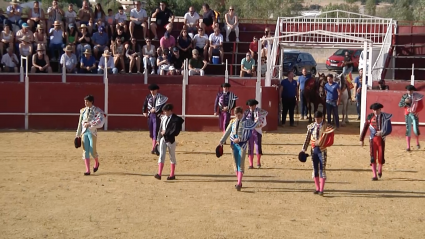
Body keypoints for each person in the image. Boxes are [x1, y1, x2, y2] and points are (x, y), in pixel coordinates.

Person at [219, 106, 259, 191]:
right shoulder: (233, 121)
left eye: (239, 115)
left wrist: (240, 139)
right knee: (235, 164)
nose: (238, 117)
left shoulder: (247, 122)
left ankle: (238, 183)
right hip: (233, 145)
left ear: (242, 114)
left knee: (240, 164)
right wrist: (221, 141)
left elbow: (249, 134)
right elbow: (227, 132)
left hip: (242, 145)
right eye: (236, 115)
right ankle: (239, 182)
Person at [301, 111, 335, 196]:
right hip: (313, 151)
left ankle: (321, 189)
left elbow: (330, 140)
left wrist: (321, 143)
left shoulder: (327, 127)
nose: (317, 120)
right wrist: (303, 149)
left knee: (322, 169)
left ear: (322, 118)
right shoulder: (311, 127)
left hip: (322, 151)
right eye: (316, 119)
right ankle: (317, 188)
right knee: (315, 169)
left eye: (318, 119)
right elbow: (307, 139)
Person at [360, 103, 393, 180]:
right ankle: (374, 175)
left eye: (377, 110)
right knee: (373, 156)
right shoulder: (370, 117)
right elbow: (365, 128)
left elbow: (389, 129)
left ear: (380, 110)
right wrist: (361, 139)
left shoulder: (385, 117)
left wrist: (382, 132)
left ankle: (380, 169)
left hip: (381, 139)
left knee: (381, 156)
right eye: (374, 110)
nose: (375, 111)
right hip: (372, 139)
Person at [75, 95, 105, 176]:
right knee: (85, 151)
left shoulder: (97, 110)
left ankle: (96, 163)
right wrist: (77, 135)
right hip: (84, 132)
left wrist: (90, 123)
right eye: (85, 101)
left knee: (92, 150)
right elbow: (80, 123)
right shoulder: (83, 111)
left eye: (87, 101)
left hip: (92, 132)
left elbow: (101, 120)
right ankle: (87, 170)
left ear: (91, 101)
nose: (85, 103)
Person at [154, 103, 184, 180]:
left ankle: (172, 174)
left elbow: (175, 131)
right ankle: (159, 174)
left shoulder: (175, 119)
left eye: (166, 111)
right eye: (164, 111)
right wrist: (158, 139)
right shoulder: (163, 118)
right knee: (161, 156)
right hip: (163, 139)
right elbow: (160, 129)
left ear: (170, 111)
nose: (164, 113)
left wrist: (165, 132)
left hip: (171, 140)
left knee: (172, 157)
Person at [142, 84, 168, 154]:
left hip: (158, 116)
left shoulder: (161, 98)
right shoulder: (148, 97)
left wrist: (156, 110)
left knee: (156, 132)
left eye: (153, 90)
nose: (152, 92)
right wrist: (144, 112)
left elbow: (163, 107)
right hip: (150, 116)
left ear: (157, 90)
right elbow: (144, 104)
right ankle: (156, 146)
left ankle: (154, 147)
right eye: (151, 90)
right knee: (151, 132)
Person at [244, 99, 268, 169]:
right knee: (250, 147)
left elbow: (264, 122)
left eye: (252, 106)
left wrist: (260, 125)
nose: (250, 107)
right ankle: (251, 164)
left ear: (255, 105)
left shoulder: (260, 112)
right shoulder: (246, 112)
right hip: (249, 132)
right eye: (249, 106)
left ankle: (258, 162)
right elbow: (243, 121)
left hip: (257, 131)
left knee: (258, 147)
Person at [398, 85, 424, 151]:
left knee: (415, 129)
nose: (408, 92)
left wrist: (417, 111)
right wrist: (405, 103)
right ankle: (408, 146)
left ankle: (417, 142)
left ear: (412, 90)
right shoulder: (404, 96)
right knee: (408, 129)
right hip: (407, 114)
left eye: (410, 90)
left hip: (415, 114)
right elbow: (400, 105)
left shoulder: (417, 96)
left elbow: (421, 106)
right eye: (408, 90)